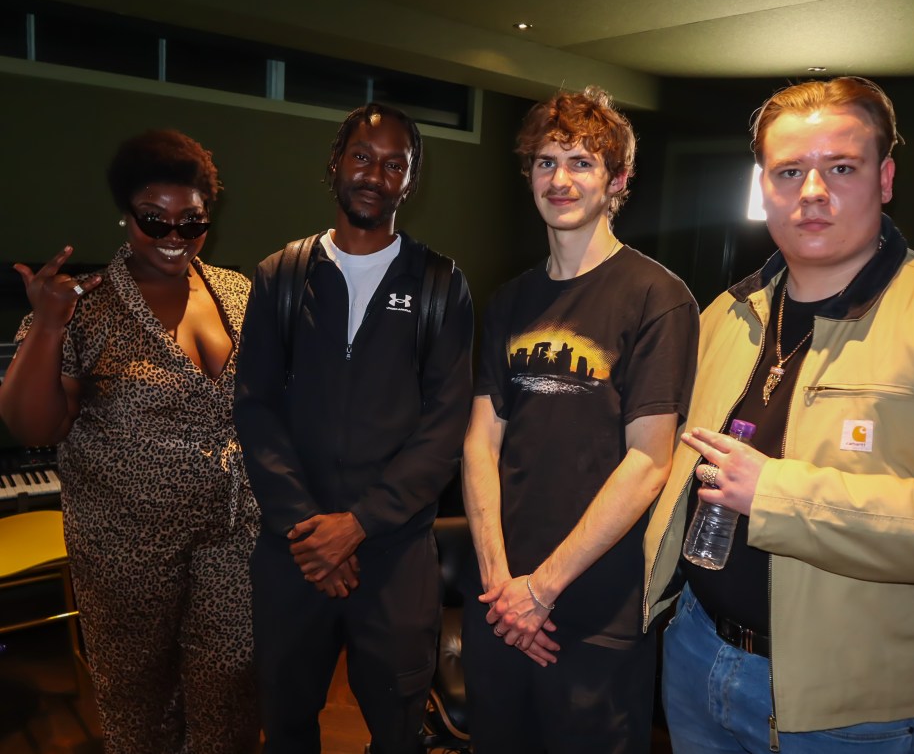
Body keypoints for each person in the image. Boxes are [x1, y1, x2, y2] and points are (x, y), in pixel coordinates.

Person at [645, 76, 914, 753]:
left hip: (859, 707)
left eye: (841, 168)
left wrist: (779, 494)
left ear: (885, 179)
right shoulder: (727, 313)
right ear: (763, 188)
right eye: (789, 171)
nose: (812, 191)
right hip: (699, 656)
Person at [0, 130, 260, 753]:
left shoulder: (238, 292)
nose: (173, 236)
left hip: (233, 534)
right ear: (126, 215)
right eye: (154, 219)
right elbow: (34, 428)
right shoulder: (84, 305)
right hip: (126, 547)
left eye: (190, 221)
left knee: (233, 689)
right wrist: (48, 325)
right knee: (141, 705)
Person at [462, 86, 699, 753]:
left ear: (617, 180)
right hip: (500, 600)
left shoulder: (658, 298)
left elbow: (648, 461)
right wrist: (501, 585)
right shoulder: (509, 300)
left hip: (594, 611)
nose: (559, 179)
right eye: (546, 162)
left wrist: (541, 590)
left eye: (581, 162)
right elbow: (480, 443)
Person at [233, 103, 473, 754]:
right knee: (285, 726)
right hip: (294, 552)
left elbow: (444, 428)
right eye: (363, 157)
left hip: (395, 558)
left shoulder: (440, 284)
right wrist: (310, 531)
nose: (375, 174)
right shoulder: (281, 276)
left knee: (398, 733)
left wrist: (359, 524)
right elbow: (255, 409)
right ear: (336, 163)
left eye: (395, 164)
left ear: (410, 181)